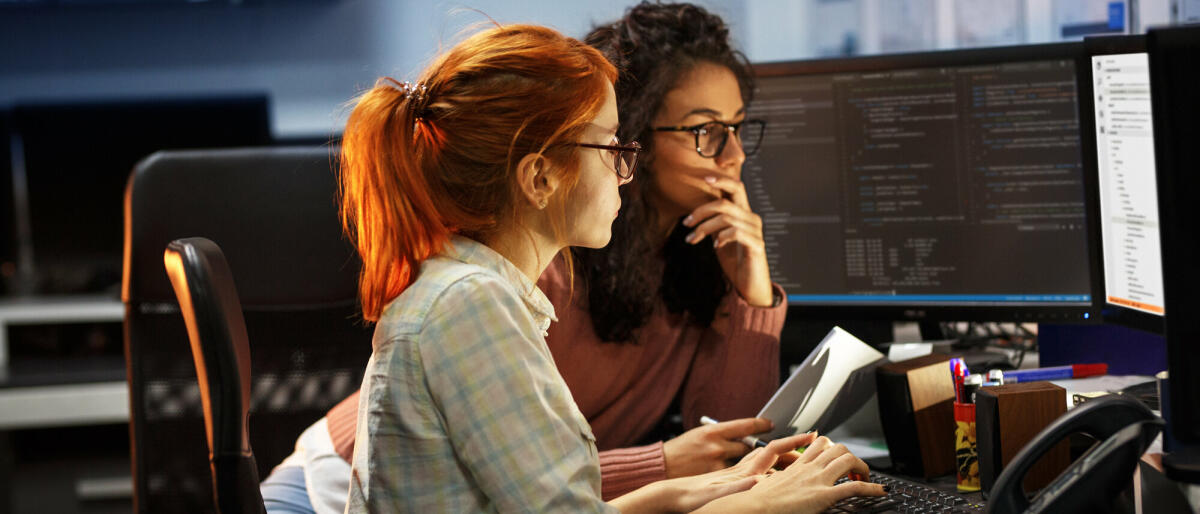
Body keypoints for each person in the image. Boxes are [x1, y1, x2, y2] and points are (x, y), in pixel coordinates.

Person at [262, 3, 860, 512]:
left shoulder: (486, 291)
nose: (624, 171)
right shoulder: (477, 302)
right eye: (612, 147)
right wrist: (750, 505)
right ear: (541, 178)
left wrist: (714, 486)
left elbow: (553, 496)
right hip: (318, 489)